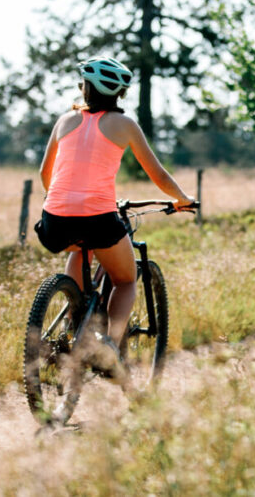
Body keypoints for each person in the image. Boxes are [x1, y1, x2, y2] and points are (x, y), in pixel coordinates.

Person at [35, 56, 195, 360]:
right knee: (125, 279)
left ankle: (72, 326)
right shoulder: (124, 124)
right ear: (119, 94)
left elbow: (46, 173)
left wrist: (59, 198)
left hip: (54, 220)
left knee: (78, 249)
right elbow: (158, 175)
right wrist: (183, 198)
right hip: (98, 219)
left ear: (85, 89)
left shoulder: (64, 121)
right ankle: (108, 344)